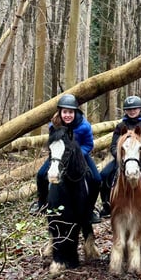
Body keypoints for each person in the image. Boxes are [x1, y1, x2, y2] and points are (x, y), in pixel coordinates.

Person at [34, 94, 102, 224]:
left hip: (80, 156)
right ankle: (41, 204)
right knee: (41, 175)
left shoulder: (84, 126)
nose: (67, 115)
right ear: (60, 112)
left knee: (96, 179)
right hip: (58, 157)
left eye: (70, 112)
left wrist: (76, 155)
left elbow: (89, 145)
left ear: (75, 112)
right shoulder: (53, 125)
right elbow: (52, 143)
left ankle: (90, 210)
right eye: (65, 112)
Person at [98, 95, 141, 220]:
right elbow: (113, 146)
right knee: (104, 175)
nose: (132, 111)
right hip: (122, 161)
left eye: (135, 109)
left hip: (140, 161)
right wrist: (120, 157)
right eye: (129, 109)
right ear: (125, 111)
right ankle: (106, 205)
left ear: (140, 109)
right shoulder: (121, 126)